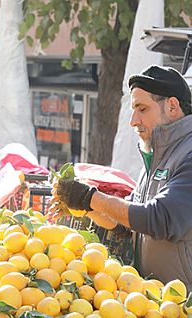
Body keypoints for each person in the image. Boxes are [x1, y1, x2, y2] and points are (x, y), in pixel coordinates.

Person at [54, 65, 192, 290]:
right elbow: (130, 226)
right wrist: (86, 207)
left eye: (142, 108)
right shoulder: (156, 156)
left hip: (184, 303)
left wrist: (91, 197)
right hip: (153, 301)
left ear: (172, 106)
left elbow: (160, 218)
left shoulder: (188, 153)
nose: (133, 120)